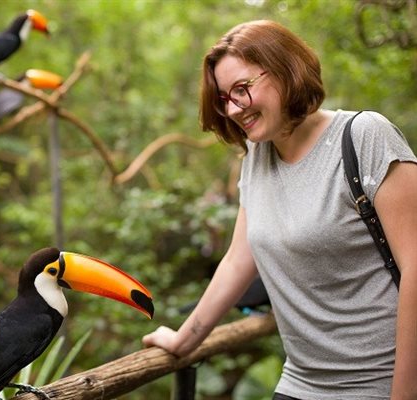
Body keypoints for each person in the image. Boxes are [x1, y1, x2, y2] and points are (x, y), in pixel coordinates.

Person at [142, 20, 417, 400]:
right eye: (224, 97)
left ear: (286, 69)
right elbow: (239, 261)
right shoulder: (256, 155)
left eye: (242, 89)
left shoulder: (365, 135)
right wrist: (183, 340)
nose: (233, 108)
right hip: (299, 383)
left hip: (378, 384)